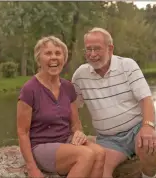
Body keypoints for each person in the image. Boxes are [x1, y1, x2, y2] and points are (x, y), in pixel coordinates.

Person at [71, 27, 156, 178]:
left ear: (110, 48)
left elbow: (146, 99)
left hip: (136, 129)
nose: (92, 54)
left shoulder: (127, 66)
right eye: (89, 49)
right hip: (109, 139)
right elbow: (71, 105)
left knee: (149, 147)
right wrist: (76, 129)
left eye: (97, 49)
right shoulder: (80, 76)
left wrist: (148, 126)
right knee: (99, 170)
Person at [16, 36, 105, 178]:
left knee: (100, 153)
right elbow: (22, 132)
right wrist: (32, 167)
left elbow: (76, 124)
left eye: (58, 53)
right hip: (41, 146)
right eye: (48, 53)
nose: (54, 58)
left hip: (66, 141)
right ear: (39, 59)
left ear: (64, 59)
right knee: (85, 155)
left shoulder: (68, 87)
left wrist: (78, 133)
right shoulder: (29, 89)